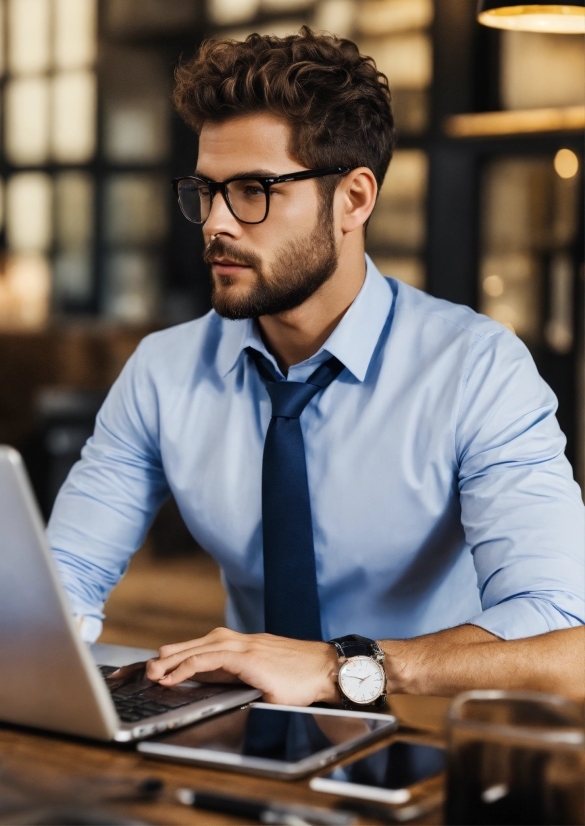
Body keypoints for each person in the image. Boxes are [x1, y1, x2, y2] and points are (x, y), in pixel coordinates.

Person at [47, 28, 584, 708]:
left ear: (354, 200)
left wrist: (343, 668)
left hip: (438, 723)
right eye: (206, 192)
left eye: (252, 190)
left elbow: (566, 638)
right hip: (256, 725)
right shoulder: (163, 371)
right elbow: (67, 574)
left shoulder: (477, 370)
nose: (217, 223)